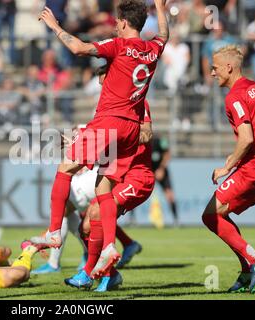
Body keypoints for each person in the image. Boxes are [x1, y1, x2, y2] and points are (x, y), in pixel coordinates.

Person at [30, 0, 168, 280]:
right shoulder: (153, 49)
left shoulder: (118, 45)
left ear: (124, 23)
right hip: (131, 128)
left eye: (118, 21)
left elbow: (79, 48)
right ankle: (107, 248)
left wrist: (55, 26)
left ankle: (54, 232)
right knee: (103, 186)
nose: (116, 25)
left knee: (65, 168)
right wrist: (161, 9)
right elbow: (164, 35)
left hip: (110, 121)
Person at [202, 45, 255, 294]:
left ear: (228, 67)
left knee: (211, 215)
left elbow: (246, 138)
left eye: (215, 68)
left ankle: (254, 260)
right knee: (220, 213)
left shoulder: (234, 96)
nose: (212, 73)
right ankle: (246, 272)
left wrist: (226, 166)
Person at [64, 98, 154, 292]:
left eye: (103, 79)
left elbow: (146, 135)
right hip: (116, 176)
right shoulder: (108, 107)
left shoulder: (137, 104)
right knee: (84, 228)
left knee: (96, 213)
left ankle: (87, 274)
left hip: (137, 177)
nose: (102, 86)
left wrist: (114, 137)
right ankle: (111, 275)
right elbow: (105, 145)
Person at [151, 134, 179, 226]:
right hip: (148, 171)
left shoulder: (160, 140)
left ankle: (176, 220)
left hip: (161, 170)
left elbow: (167, 154)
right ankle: (132, 219)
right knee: (134, 193)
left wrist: (161, 169)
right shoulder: (141, 142)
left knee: (169, 195)